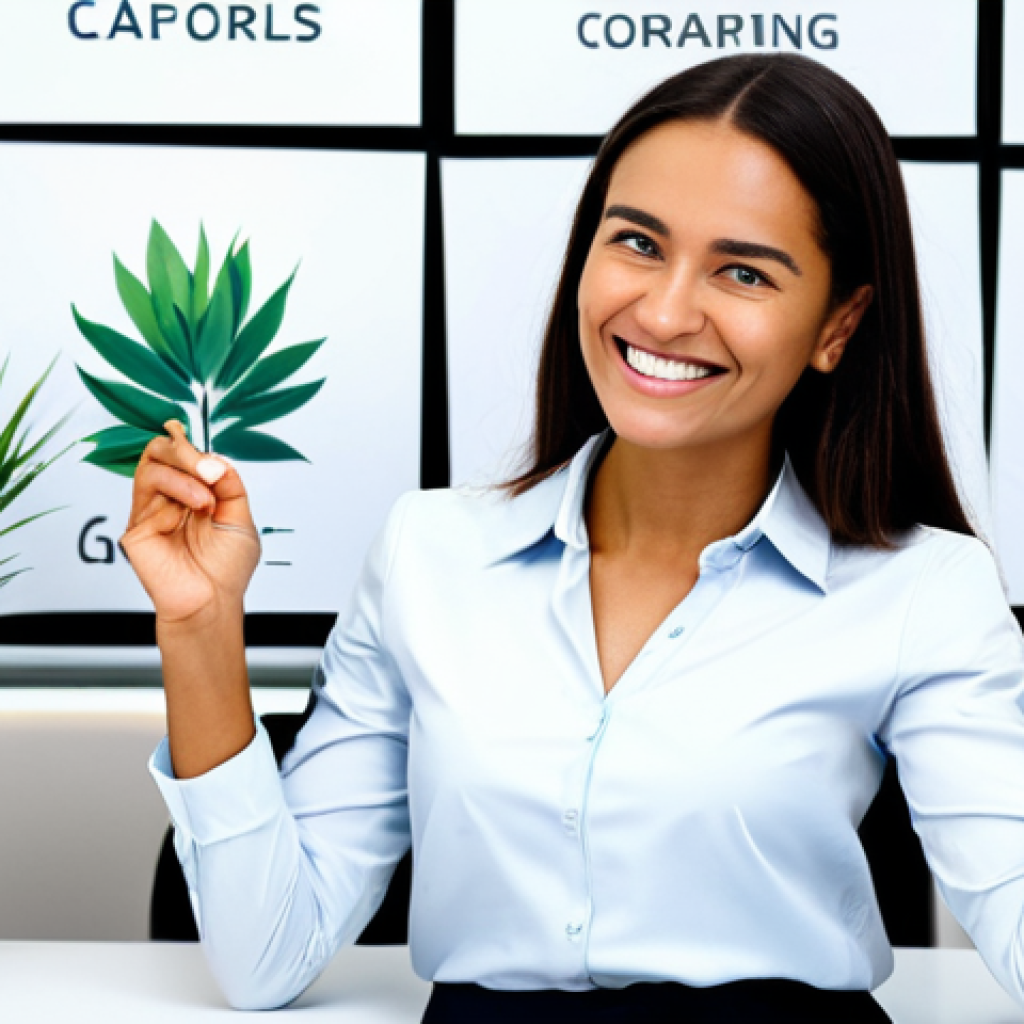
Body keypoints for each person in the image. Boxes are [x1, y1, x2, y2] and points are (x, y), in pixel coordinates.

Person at [127, 54, 1024, 1023]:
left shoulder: (924, 590)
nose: (666, 311)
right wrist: (200, 623)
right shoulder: (428, 553)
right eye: (637, 242)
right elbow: (267, 954)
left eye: (741, 270)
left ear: (837, 324)